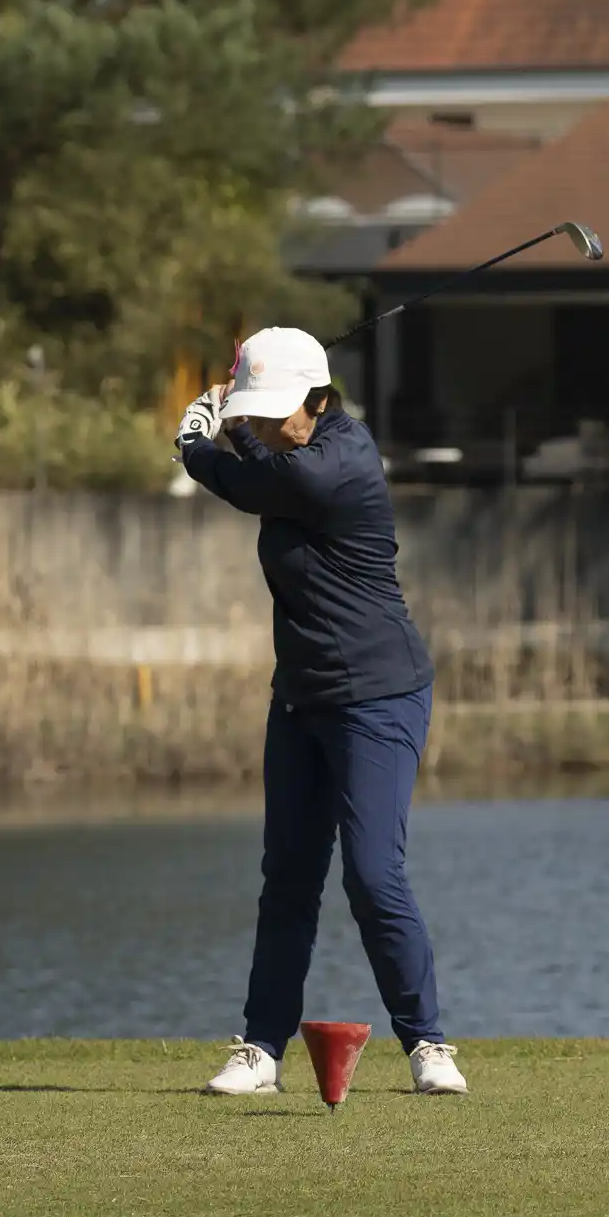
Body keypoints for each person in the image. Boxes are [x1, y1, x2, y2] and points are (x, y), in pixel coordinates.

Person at [173, 326, 466, 1097]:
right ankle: (262, 1050)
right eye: (259, 413)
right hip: (301, 697)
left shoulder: (340, 463)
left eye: (275, 414)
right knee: (289, 879)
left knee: (372, 875)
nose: (266, 426)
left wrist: (197, 441)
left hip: (380, 695)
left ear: (319, 400)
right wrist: (233, 418)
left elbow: (250, 483)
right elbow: (265, 462)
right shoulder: (292, 450)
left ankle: (428, 1043)